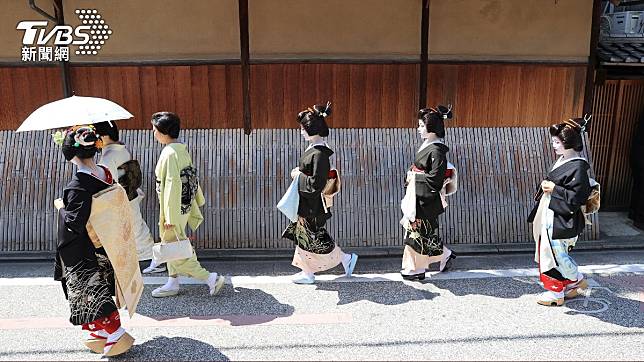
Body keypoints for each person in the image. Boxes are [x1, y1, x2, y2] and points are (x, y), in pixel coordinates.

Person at [54, 125, 134, 356]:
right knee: (99, 287)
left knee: (88, 289)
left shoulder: (79, 185)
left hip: (86, 248)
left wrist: (61, 208)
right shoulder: (104, 173)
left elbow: (73, 224)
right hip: (105, 244)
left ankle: (114, 331)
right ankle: (100, 332)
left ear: (69, 154)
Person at [149, 112, 225, 297]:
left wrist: (170, 217)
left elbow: (173, 186)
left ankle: (210, 278)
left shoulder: (169, 153)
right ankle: (172, 282)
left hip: (173, 208)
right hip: (181, 205)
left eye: (154, 129)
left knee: (177, 248)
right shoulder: (180, 149)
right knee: (172, 245)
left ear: (163, 131)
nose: (153, 133)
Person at [282, 102, 358, 284]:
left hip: (313, 203)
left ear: (311, 129)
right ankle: (309, 270)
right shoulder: (316, 150)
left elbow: (316, 184)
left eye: (302, 128)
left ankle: (343, 259)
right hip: (308, 201)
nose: (300, 131)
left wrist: (298, 175)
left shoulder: (319, 154)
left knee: (313, 237)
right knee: (305, 236)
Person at [527, 117, 593, 306]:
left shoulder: (578, 167)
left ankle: (557, 292)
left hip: (560, 217)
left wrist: (554, 189)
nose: (554, 145)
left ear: (568, 143)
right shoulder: (564, 160)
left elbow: (577, 198)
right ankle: (573, 282)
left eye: (557, 142)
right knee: (551, 253)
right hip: (551, 214)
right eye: (554, 141)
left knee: (554, 255)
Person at [94, 121, 165, 273]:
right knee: (136, 227)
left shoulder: (108, 156)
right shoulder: (121, 150)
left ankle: (152, 260)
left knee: (134, 229)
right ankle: (150, 258)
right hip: (129, 193)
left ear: (103, 136)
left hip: (120, 197)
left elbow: (108, 181)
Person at [400, 106, 456, 281]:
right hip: (419, 196)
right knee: (424, 234)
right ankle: (445, 254)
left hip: (426, 198)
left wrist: (414, 177)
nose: (418, 129)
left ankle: (415, 269)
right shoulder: (429, 147)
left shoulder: (437, 151)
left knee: (417, 234)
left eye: (421, 126)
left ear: (431, 128)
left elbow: (435, 180)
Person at [629, 117, 644, 230]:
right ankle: (639, 219)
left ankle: (634, 213)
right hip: (640, 158)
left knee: (638, 186)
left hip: (637, 156)